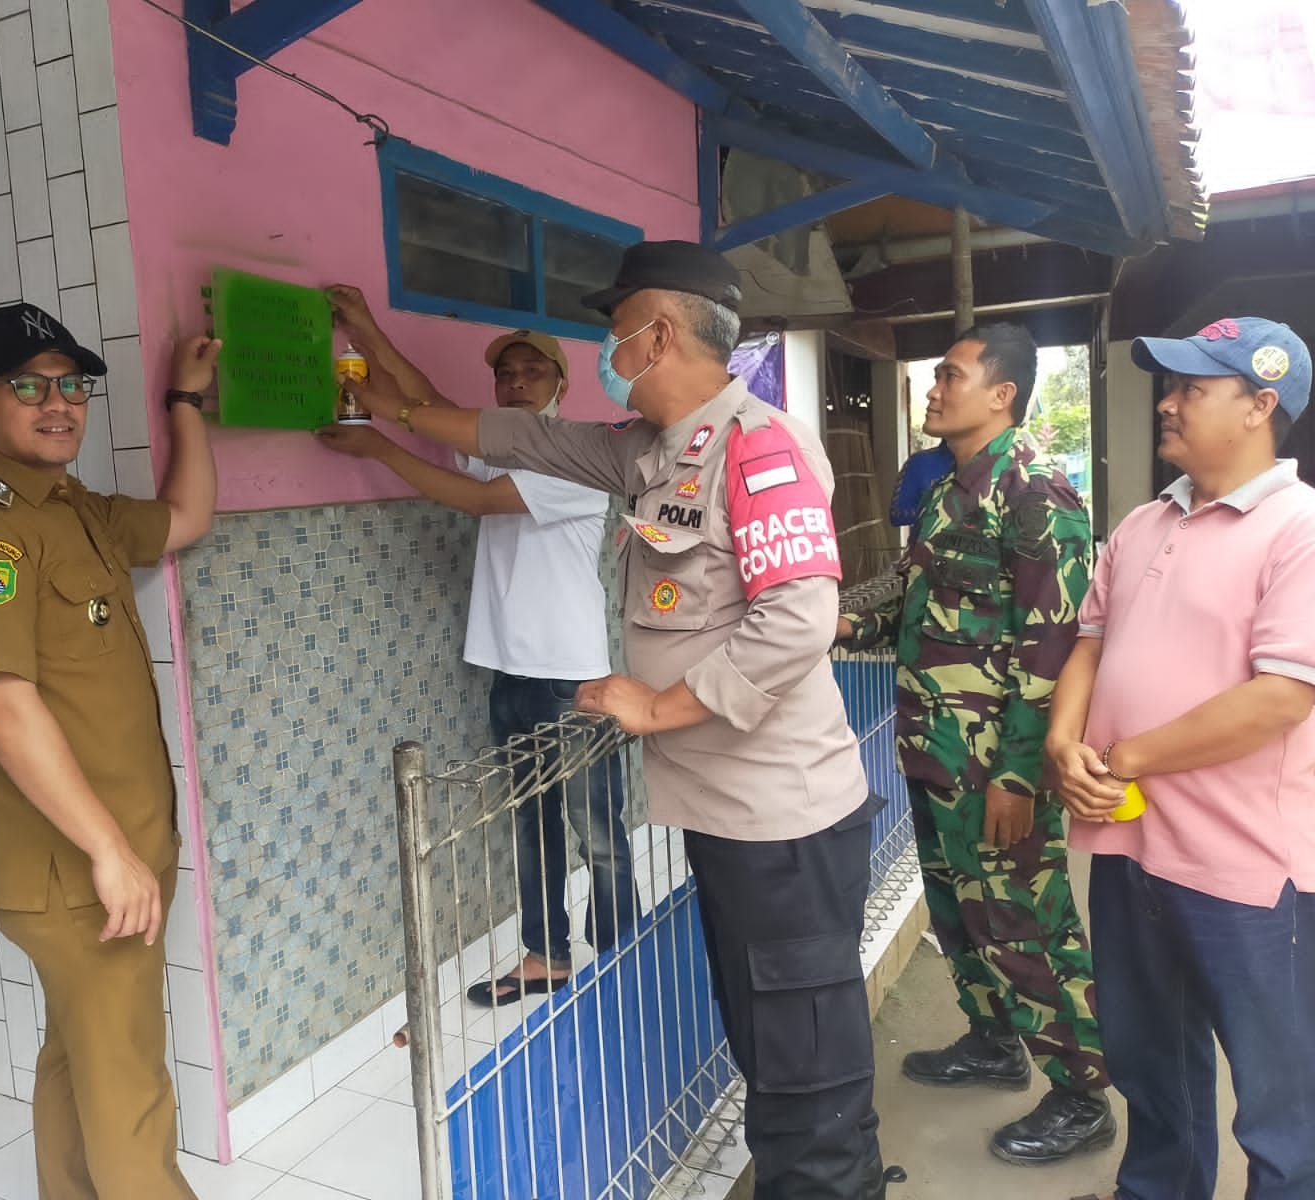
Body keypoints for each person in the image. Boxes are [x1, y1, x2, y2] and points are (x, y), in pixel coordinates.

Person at [335, 241, 900, 1199]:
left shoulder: (758, 444)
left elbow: (799, 618)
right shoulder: (646, 452)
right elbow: (506, 437)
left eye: (615, 330)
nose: (607, 348)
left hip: (785, 824)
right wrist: (381, 394)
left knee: (807, 1074)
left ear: (659, 333)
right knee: (776, 1053)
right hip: (729, 820)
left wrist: (660, 705)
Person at [0, 302, 218, 1199]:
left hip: (104, 857)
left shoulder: (71, 508)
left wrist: (183, 402)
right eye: (28, 386)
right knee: (129, 1090)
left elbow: (185, 519)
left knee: (78, 1055)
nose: (58, 403)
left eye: (70, 384)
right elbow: (4, 706)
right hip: (79, 869)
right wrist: (110, 852)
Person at [1046, 317, 1315, 1200]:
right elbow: (1090, 645)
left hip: (1244, 869)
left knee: (1284, 1105)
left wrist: (1124, 755)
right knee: (1153, 1070)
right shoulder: (1144, 522)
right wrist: (1066, 743)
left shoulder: (1312, 532)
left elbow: (1282, 696)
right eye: (1168, 386)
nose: (1167, 403)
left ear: (1261, 405)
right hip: (1129, 849)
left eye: (1192, 388)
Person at [837, 324, 1113, 1166]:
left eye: (950, 376)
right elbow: (915, 593)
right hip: (935, 752)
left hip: (997, 767)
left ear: (1002, 394)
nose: (932, 389)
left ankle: (1081, 1091)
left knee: (1026, 922)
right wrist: (843, 616)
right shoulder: (949, 489)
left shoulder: (1037, 496)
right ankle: (994, 1041)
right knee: (961, 916)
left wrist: (1020, 776)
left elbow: (1054, 649)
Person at [317, 288, 640, 1003]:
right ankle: (545, 955)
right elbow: (427, 399)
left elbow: (476, 503)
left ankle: (624, 958)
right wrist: (364, 327)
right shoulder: (497, 449)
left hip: (573, 679)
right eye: (506, 374)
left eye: (532, 372)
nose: (516, 382)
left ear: (562, 385)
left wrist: (375, 442)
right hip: (510, 674)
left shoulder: (577, 461)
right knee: (531, 824)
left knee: (597, 829)